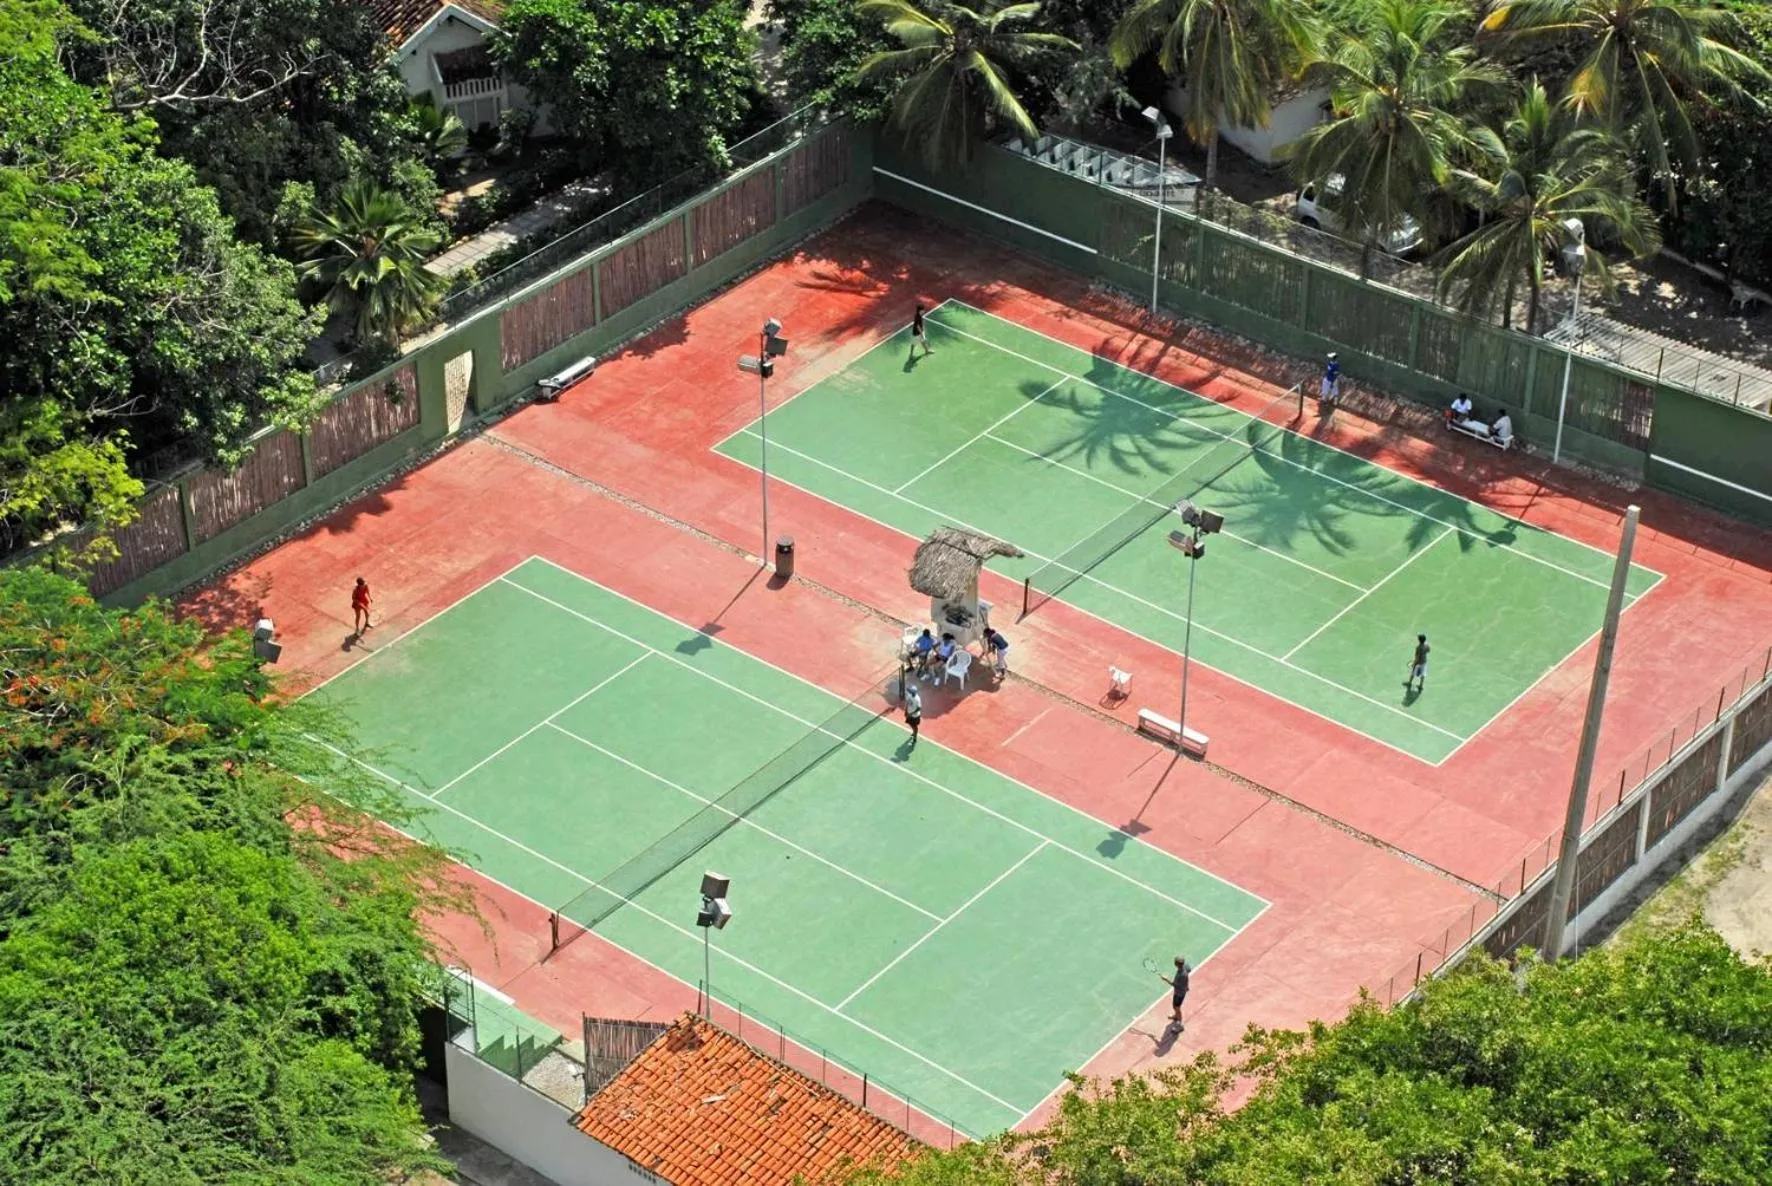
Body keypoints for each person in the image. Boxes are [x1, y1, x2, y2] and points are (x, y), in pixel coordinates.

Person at [1160, 957, 1191, 1030]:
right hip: (1179, 991)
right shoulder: (1185, 967)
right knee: (1174, 1006)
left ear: (1176, 964)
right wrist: (1186, 984)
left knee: (1177, 1008)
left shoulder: (1181, 975)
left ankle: (1180, 1026)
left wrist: (1166, 979)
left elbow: (1174, 984)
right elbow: (1189, 970)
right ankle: (1176, 1016)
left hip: (1180, 994)